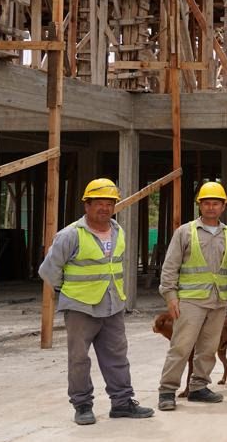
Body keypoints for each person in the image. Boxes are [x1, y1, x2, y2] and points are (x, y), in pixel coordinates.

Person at [39, 177, 153, 425]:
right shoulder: (70, 235)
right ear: (86, 206)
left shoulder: (118, 231)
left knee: (117, 356)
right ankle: (82, 405)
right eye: (98, 202)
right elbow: (48, 270)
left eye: (109, 203)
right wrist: (67, 291)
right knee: (79, 358)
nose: (104, 207)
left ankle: (122, 402)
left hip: (112, 305)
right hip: (81, 307)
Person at [156, 181, 227, 411]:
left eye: (216, 203)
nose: (211, 207)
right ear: (199, 205)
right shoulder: (185, 232)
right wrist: (170, 296)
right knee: (181, 346)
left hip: (218, 301)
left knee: (209, 348)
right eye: (206, 203)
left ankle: (199, 387)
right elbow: (170, 267)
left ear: (223, 206)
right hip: (190, 301)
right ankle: (167, 390)